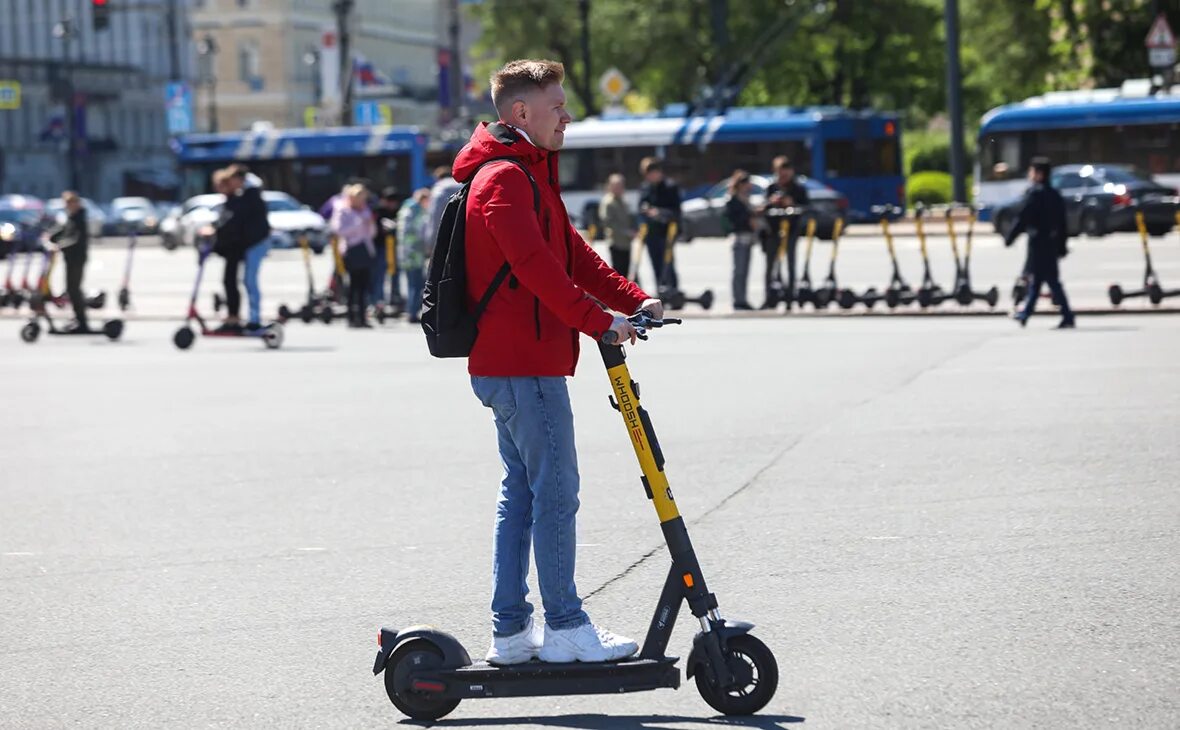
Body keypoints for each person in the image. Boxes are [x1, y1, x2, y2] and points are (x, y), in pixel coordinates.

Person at [457, 58, 662, 666]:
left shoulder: (529, 175)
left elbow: (572, 255)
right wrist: (601, 322)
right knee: (555, 493)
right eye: (558, 106)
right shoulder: (505, 180)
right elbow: (536, 270)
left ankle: (512, 633)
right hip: (522, 365)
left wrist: (635, 298)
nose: (567, 116)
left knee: (523, 493)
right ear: (522, 113)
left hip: (521, 361)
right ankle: (566, 624)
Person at [1005, 157, 1075, 329]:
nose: (1030, 175)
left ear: (1039, 174)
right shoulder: (1055, 195)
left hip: (1038, 243)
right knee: (1041, 281)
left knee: (1047, 281)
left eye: (1032, 172)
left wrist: (1010, 237)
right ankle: (1026, 314)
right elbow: (1063, 223)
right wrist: (1062, 246)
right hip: (1051, 243)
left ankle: (1066, 315)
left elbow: (1023, 217)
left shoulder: (1035, 194)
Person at [213, 165, 271, 332]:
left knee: (250, 280)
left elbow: (238, 220)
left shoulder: (249, 194)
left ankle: (254, 319)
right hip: (250, 243)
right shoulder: (244, 195)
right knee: (246, 280)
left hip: (256, 243)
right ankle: (249, 317)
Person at [761, 155, 809, 310]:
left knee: (790, 264)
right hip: (773, 230)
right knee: (770, 266)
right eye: (780, 173)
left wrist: (792, 203)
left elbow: (806, 208)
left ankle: (790, 297)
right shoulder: (772, 187)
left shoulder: (798, 188)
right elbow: (764, 207)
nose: (783, 177)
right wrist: (771, 202)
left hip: (791, 230)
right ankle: (769, 297)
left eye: (785, 173)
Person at [330, 183, 377, 328]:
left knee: (364, 285)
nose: (361, 201)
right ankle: (351, 317)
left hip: (365, 249)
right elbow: (338, 230)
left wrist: (370, 225)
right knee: (352, 285)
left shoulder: (365, 210)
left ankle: (363, 318)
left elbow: (371, 233)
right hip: (351, 249)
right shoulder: (343, 210)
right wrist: (357, 225)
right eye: (359, 197)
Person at [46, 191, 90, 332]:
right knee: (71, 289)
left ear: (76, 203)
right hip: (70, 258)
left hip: (77, 258)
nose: (68, 206)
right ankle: (78, 319)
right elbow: (61, 231)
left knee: (74, 290)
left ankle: (82, 322)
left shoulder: (80, 218)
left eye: (70, 203)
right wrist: (49, 237)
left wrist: (60, 246)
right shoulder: (71, 217)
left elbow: (76, 239)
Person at [637, 157, 681, 291]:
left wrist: (659, 212)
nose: (651, 177)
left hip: (667, 230)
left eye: (653, 173)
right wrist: (645, 211)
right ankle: (659, 288)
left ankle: (672, 290)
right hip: (651, 231)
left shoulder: (670, 187)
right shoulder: (646, 187)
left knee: (667, 261)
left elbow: (676, 210)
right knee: (655, 262)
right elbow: (641, 206)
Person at [395, 187, 430, 323]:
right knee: (416, 284)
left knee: (411, 283)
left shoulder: (406, 209)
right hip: (414, 253)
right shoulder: (416, 211)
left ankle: (411, 310)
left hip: (406, 253)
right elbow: (419, 231)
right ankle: (412, 312)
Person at [722, 171, 756, 310]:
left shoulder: (746, 198)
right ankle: (738, 299)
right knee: (739, 270)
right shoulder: (733, 200)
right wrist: (748, 218)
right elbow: (732, 220)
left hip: (748, 237)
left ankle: (743, 298)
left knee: (745, 270)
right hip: (738, 237)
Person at [597, 173, 635, 277]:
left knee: (626, 272)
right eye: (616, 186)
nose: (618, 188)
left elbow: (629, 218)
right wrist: (625, 232)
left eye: (620, 186)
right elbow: (607, 222)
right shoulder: (608, 202)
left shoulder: (624, 201)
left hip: (626, 242)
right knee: (618, 272)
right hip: (615, 241)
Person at [375, 187, 403, 307]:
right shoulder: (378, 211)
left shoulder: (400, 211)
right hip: (381, 247)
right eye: (389, 201)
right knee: (380, 275)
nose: (392, 204)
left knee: (395, 274)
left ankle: (394, 297)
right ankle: (379, 300)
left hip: (394, 247)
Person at [426, 165, 463, 246]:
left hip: (445, 237)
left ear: (437, 178)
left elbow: (435, 216)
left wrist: (431, 242)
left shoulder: (439, 190)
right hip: (464, 234)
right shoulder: (463, 186)